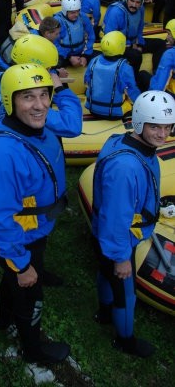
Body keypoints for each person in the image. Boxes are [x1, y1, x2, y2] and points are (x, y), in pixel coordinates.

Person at [0, 63, 71, 365]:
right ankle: (33, 349)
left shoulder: (31, 126)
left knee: (13, 280)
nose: (40, 106)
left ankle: (4, 317)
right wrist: (22, 265)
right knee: (30, 290)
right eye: (28, 97)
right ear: (10, 100)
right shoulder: (2, 155)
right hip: (19, 238)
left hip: (32, 229)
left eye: (44, 95)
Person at [92, 90, 175, 357]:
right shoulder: (126, 168)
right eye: (155, 126)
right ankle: (125, 340)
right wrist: (121, 258)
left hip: (104, 234)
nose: (163, 135)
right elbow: (116, 218)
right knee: (125, 292)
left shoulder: (122, 142)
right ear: (139, 122)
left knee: (105, 274)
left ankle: (103, 314)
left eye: (167, 127)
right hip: (119, 239)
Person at [0, 34, 83, 140]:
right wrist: (60, 89)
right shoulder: (27, 109)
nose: (50, 73)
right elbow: (72, 126)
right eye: (48, 69)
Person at [103, 0, 166, 77]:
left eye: (138, 2)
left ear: (142, 3)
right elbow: (110, 37)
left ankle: (157, 73)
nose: (134, 5)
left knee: (160, 44)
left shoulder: (141, 9)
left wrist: (140, 43)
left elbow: (139, 29)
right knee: (136, 56)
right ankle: (133, 81)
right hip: (118, 45)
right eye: (132, 1)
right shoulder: (116, 12)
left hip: (133, 41)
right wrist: (132, 45)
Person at [84, 31, 141, 119]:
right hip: (114, 113)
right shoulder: (125, 67)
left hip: (93, 109)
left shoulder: (93, 61)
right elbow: (131, 91)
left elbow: (86, 82)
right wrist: (141, 104)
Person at [53, 0, 96, 68]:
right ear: (65, 11)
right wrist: (69, 57)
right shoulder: (58, 21)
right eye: (72, 12)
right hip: (64, 55)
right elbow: (54, 43)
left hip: (81, 52)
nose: (76, 14)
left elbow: (91, 36)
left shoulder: (82, 17)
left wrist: (85, 55)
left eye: (78, 11)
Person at [148, 19, 175, 95]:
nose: (167, 37)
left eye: (169, 34)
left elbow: (159, 85)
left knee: (142, 75)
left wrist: (152, 96)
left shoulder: (170, 54)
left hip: (170, 96)